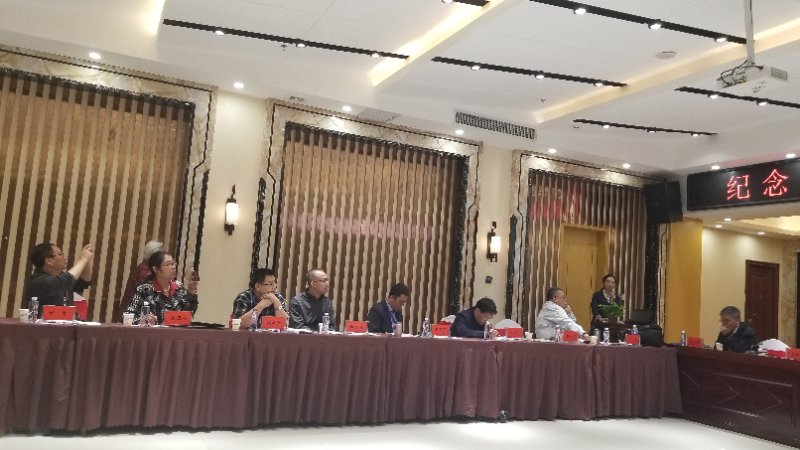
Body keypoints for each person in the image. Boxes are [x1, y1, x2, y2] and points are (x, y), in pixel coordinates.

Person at [125, 251, 198, 325]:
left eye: (173, 263)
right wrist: (143, 319)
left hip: (175, 331)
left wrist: (191, 292)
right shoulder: (144, 290)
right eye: (168, 264)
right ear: (155, 269)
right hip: (152, 331)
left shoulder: (179, 288)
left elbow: (188, 314)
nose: (173, 267)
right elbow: (128, 316)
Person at [22, 242, 94, 313]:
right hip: (43, 320)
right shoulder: (37, 281)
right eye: (60, 254)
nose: (64, 257)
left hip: (65, 319)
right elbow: (65, 281)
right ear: (49, 261)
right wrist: (83, 259)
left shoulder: (60, 277)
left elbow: (84, 281)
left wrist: (87, 261)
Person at [114, 240, 165, 323]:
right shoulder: (145, 273)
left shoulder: (145, 268)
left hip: (136, 315)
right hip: (133, 316)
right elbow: (146, 299)